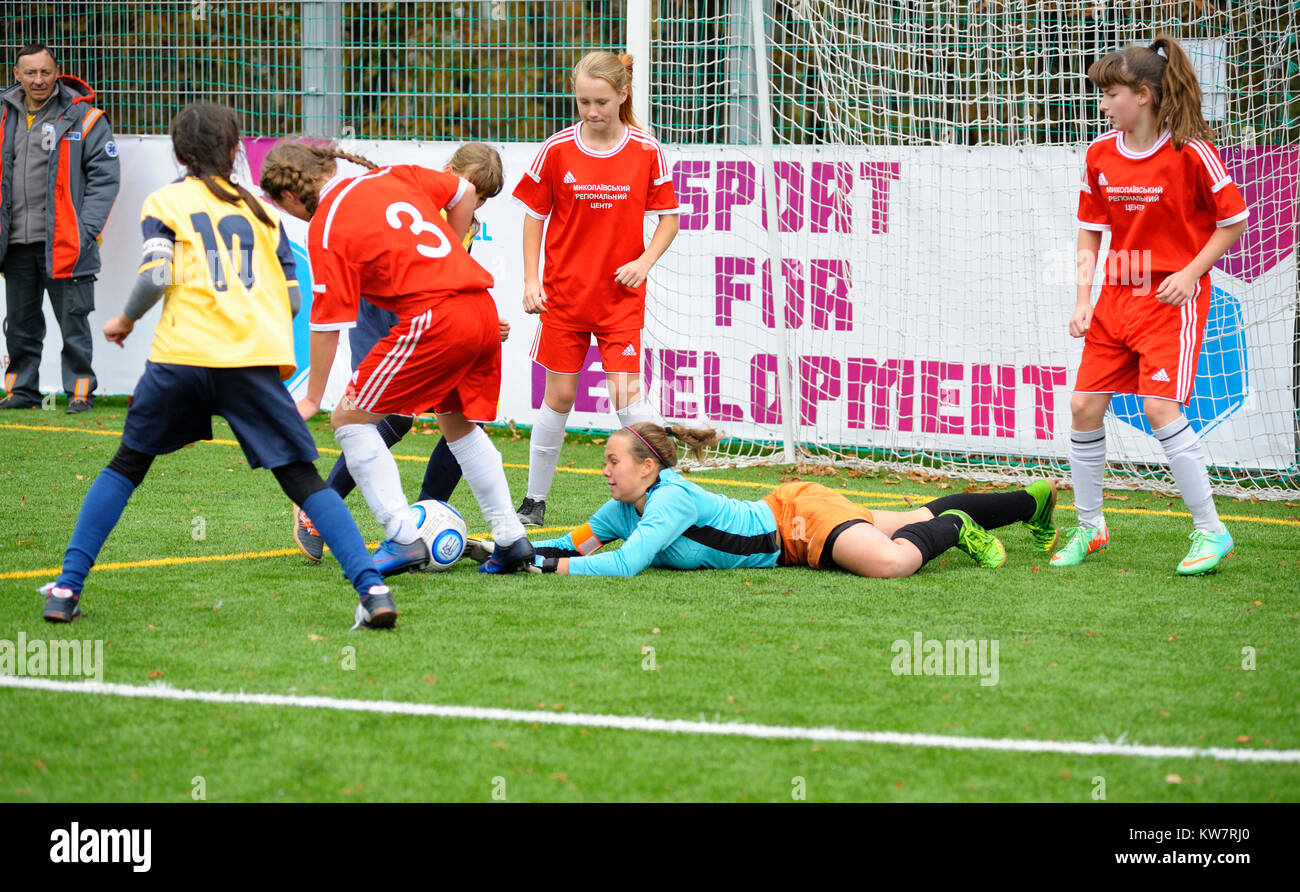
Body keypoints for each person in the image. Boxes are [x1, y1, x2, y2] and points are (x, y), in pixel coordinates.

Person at [39, 104, 397, 629]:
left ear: (179, 153)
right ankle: (372, 589)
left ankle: (67, 587)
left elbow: (156, 275)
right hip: (251, 362)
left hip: (182, 358)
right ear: (235, 153)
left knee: (127, 466)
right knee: (301, 477)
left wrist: (124, 319)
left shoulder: (166, 201)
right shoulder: (264, 213)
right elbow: (294, 302)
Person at [259, 140, 535, 576]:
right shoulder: (393, 175)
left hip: (434, 318)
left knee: (349, 419)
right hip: (478, 306)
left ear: (291, 195)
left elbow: (326, 323)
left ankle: (402, 537)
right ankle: (511, 539)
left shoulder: (326, 225)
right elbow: (462, 193)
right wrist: (453, 260)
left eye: (283, 207)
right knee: (456, 422)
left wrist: (311, 399)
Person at [1057, 33, 1248, 576]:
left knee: (1160, 409)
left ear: (1142, 94)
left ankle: (1212, 532)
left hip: (1170, 302)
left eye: (1109, 94)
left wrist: (1191, 273)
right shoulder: (1098, 154)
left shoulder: (1191, 151)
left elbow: (1234, 220)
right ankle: (1091, 528)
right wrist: (1082, 301)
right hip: (1117, 299)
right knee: (1083, 408)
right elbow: (1090, 234)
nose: (1101, 104)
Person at [476, 422, 1058, 579]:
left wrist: (544, 567)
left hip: (795, 523)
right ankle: (1030, 503)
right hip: (790, 519)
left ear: (648, 466)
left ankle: (957, 525)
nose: (603, 471)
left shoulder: (669, 501)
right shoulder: (626, 508)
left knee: (891, 561)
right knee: (910, 518)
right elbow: (577, 539)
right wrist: (501, 548)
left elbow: (627, 564)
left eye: (612, 462)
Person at [512, 50, 681, 528]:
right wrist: (531, 280)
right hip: (564, 300)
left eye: (601, 101)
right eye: (583, 101)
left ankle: (669, 492)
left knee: (627, 398)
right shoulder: (558, 148)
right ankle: (534, 501)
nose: (591, 111)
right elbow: (534, 218)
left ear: (622, 95)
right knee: (559, 397)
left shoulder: (646, 151)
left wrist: (644, 261)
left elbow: (669, 218)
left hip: (619, 303)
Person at [0, 42, 120, 413]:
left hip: (67, 243)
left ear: (57, 72)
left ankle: (80, 390)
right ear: (16, 75)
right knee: (19, 324)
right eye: (30, 72)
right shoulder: (4, 116)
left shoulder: (85, 117)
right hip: (15, 242)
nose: (38, 80)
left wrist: (84, 231)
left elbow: (105, 179)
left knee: (74, 322)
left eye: (45, 72)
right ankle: (21, 390)